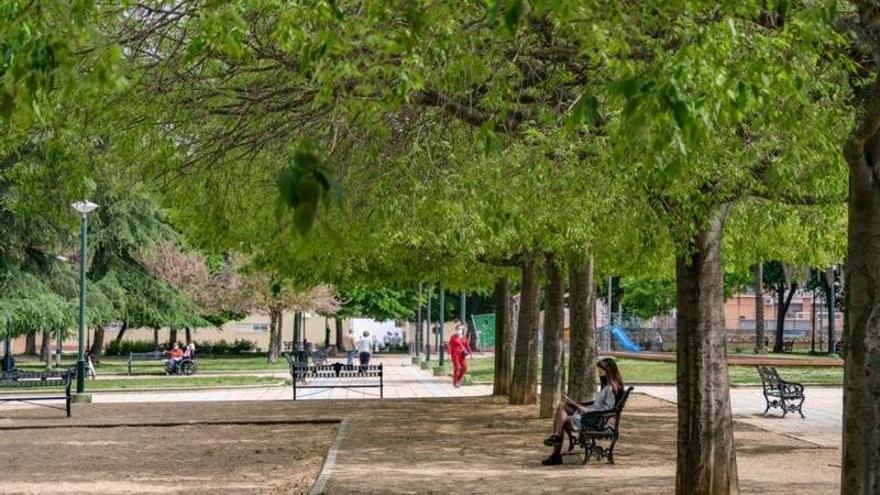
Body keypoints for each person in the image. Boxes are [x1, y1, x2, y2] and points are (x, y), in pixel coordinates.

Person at [541, 357, 625, 466]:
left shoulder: (611, 388)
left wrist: (586, 410)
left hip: (593, 419)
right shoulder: (607, 386)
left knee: (561, 418)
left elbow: (607, 409)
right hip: (591, 414)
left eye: (600, 371)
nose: (598, 373)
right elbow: (598, 405)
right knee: (562, 407)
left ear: (608, 371)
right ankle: (556, 441)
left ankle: (556, 449)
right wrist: (581, 406)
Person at [448, 323, 472, 387]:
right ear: (456, 330)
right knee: (457, 367)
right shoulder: (453, 337)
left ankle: (458, 380)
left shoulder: (464, 337)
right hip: (455, 354)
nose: (460, 330)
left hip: (462, 354)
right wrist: (449, 354)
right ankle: (456, 382)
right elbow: (450, 345)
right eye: (458, 329)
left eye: (461, 329)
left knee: (465, 368)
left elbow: (467, 346)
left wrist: (470, 353)